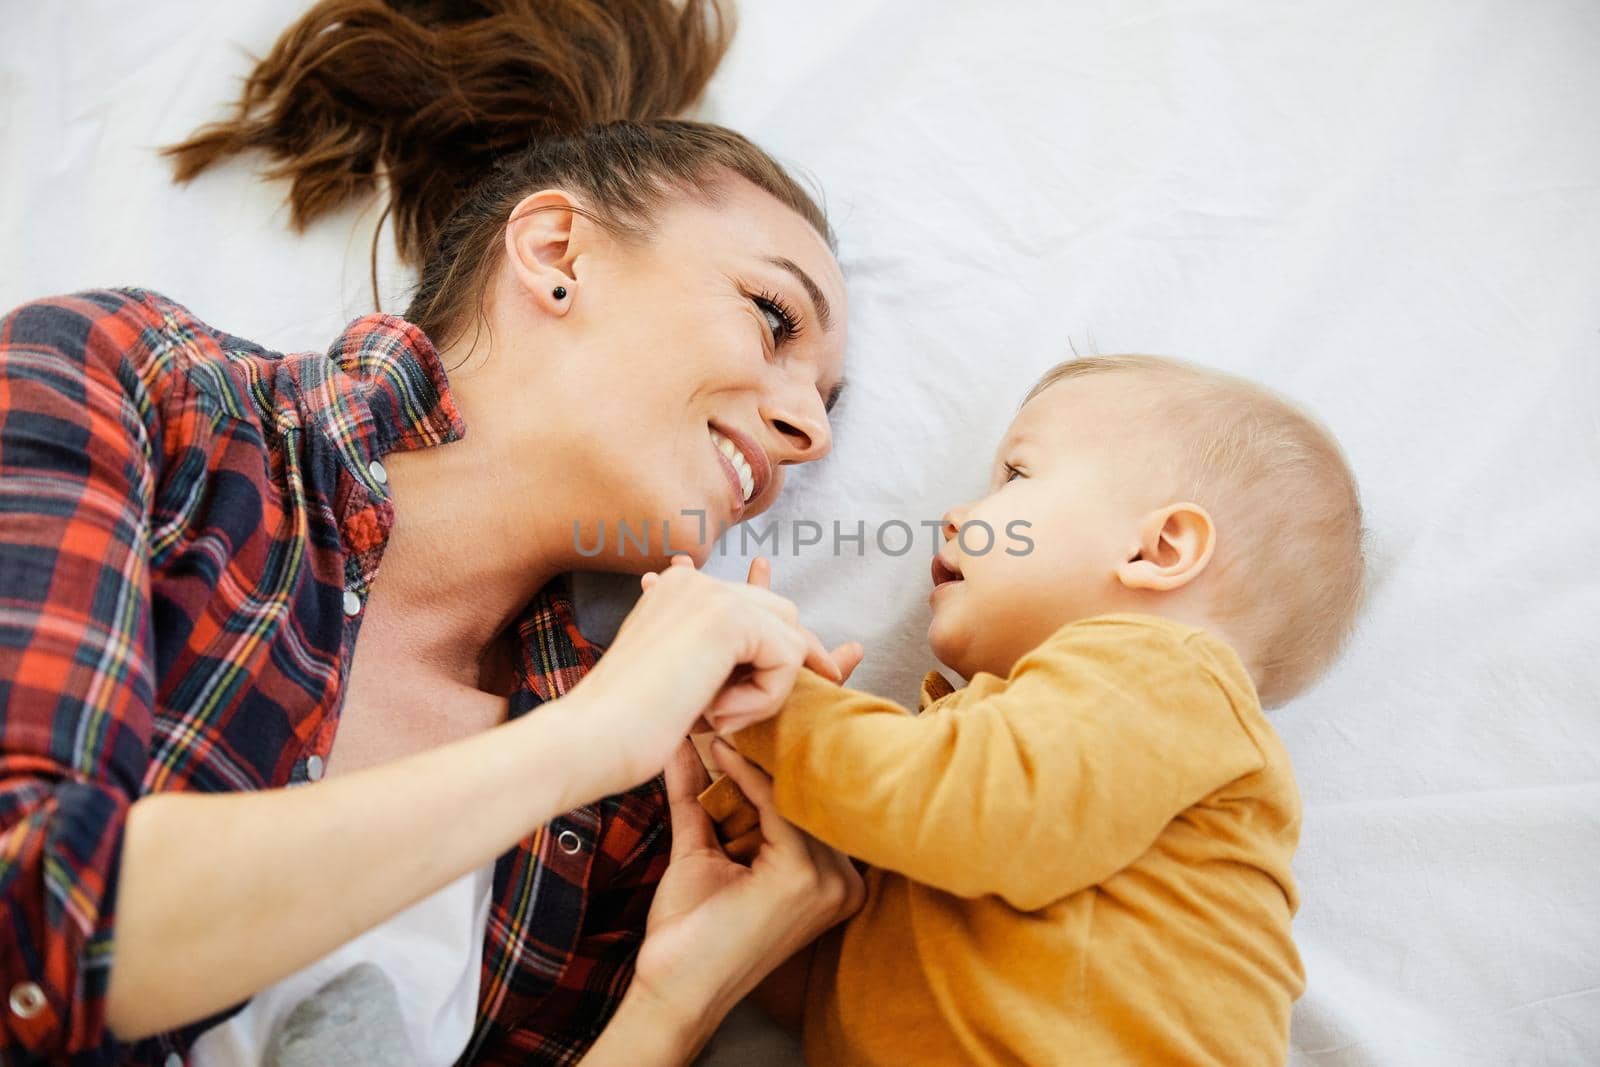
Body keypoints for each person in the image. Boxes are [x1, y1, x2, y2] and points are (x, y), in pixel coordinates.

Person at [0, 1, 863, 1063]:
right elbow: (27, 924)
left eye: (828, 401)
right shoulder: (149, 393)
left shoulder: (628, 820)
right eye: (773, 317)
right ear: (557, 254)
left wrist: (670, 1005)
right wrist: (589, 736)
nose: (811, 429)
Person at [705, 355, 1367, 1065]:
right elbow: (838, 998)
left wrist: (778, 702)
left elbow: (960, 810)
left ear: (1159, 548)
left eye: (1016, 476)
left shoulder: (1166, 674)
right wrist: (753, 804)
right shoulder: (995, 756)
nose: (958, 514)